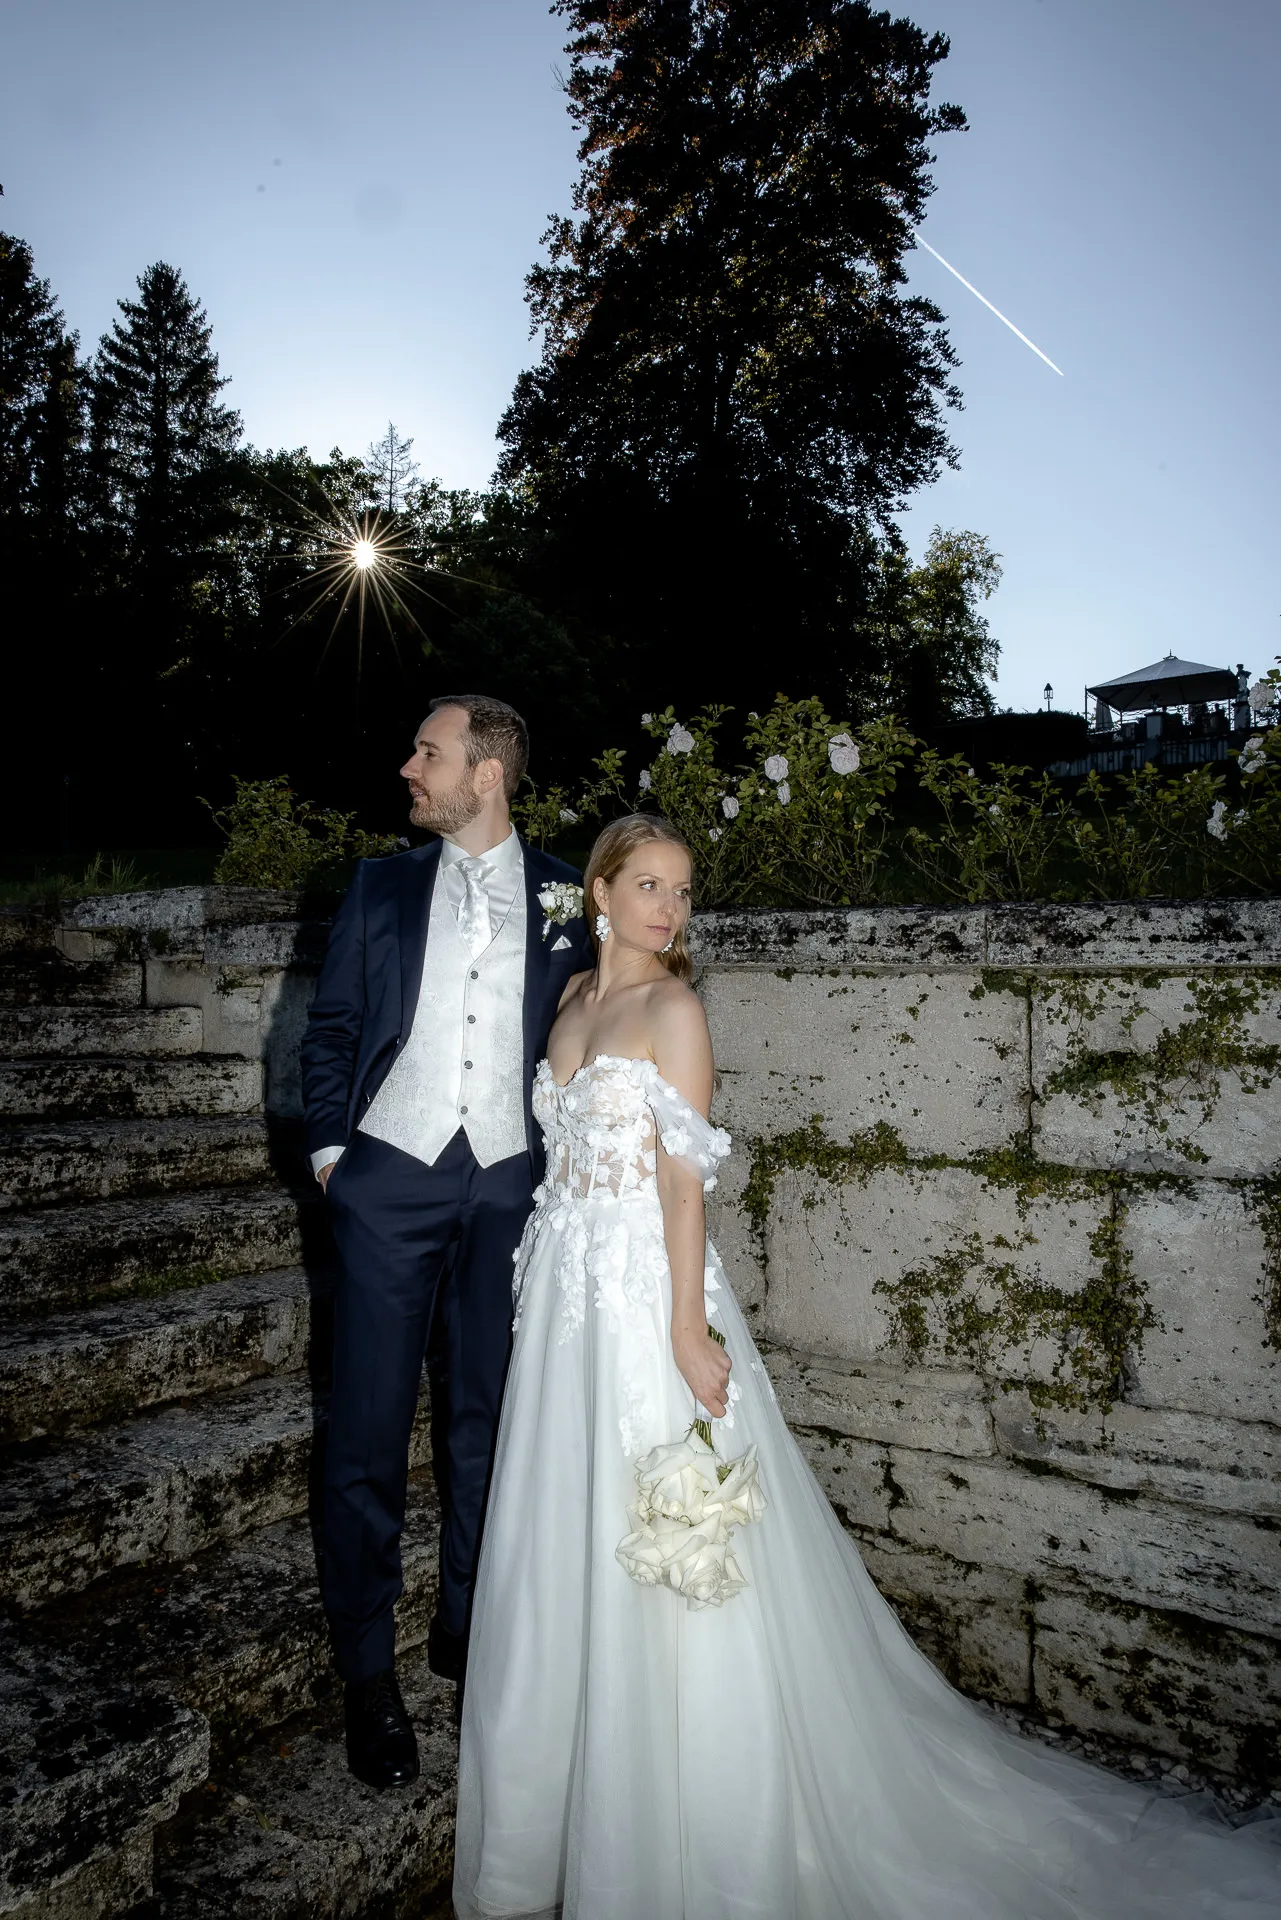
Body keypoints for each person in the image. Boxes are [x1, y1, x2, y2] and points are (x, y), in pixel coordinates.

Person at [453, 811, 1281, 1919]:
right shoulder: (568, 1008)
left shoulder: (675, 1009)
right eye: (649, 884)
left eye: (685, 889)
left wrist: (687, 1332)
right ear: (599, 893)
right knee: (571, 1530)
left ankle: (692, 1837)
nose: (670, 907)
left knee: (672, 1535)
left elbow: (685, 1184)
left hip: (645, 1296)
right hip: (560, 1293)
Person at [300, 695, 591, 1790]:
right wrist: (336, 1157)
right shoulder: (379, 884)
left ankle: (469, 1640)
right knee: (366, 1433)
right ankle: (366, 1675)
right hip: (388, 1175)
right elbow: (330, 1029)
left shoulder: (571, 891)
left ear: (489, 771)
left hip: (513, 1183)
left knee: (489, 1429)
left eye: (430, 751)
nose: (409, 766)